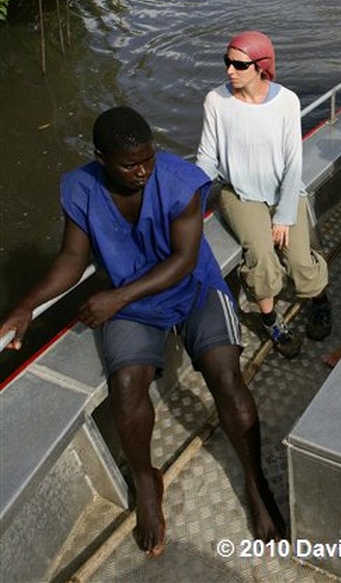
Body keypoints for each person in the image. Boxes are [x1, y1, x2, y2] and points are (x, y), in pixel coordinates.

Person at [0, 107, 284, 555]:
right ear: (100, 158)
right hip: (133, 301)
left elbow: (184, 260)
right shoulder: (80, 187)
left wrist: (116, 298)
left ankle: (254, 479)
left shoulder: (178, 181)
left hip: (189, 287)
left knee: (226, 377)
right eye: (130, 163)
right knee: (127, 387)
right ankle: (147, 484)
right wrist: (25, 305)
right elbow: (73, 259)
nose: (143, 171)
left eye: (148, 159)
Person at [196, 31, 331, 359]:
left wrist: (285, 215)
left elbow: (292, 162)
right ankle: (271, 320)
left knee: (299, 259)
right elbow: (206, 158)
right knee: (260, 254)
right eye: (227, 62)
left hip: (283, 187)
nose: (230, 70)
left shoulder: (287, 101)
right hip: (240, 194)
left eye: (239, 65)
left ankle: (319, 299)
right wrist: (187, 200)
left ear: (261, 67)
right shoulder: (216, 101)